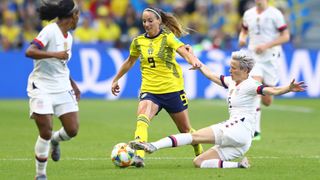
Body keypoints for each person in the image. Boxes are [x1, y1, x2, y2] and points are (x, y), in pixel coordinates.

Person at [130, 50, 306, 168]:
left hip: (238, 128)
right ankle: (239, 165)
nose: (230, 69)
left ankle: (152, 146)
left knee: (194, 136)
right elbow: (211, 74)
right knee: (199, 162)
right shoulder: (231, 81)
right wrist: (195, 61)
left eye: (233, 67)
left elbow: (271, 90)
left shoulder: (252, 85)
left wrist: (287, 88)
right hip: (243, 142)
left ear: (244, 70)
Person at [111, 7, 203, 168]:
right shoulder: (138, 41)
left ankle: (200, 152)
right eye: (144, 21)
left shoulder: (168, 38)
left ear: (159, 21)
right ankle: (139, 156)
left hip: (172, 90)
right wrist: (116, 79)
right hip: (150, 91)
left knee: (186, 130)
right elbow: (129, 61)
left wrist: (193, 60)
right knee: (142, 120)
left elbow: (183, 50)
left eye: (150, 21)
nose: (146, 24)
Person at [25, 1, 80, 179]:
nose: (79, 17)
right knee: (46, 130)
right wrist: (55, 54)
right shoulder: (50, 31)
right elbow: (30, 51)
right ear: (72, 16)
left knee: (72, 130)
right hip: (42, 87)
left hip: (62, 86)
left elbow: (62, 64)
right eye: (78, 13)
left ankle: (56, 141)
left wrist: (73, 84)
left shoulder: (69, 37)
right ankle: (40, 175)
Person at [238, 0, 290, 140]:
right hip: (254, 57)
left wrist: (266, 46)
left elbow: (285, 36)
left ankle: (256, 125)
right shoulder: (248, 13)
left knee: (267, 100)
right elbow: (244, 30)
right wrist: (242, 38)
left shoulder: (275, 14)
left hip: (271, 58)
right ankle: (255, 131)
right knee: (255, 90)